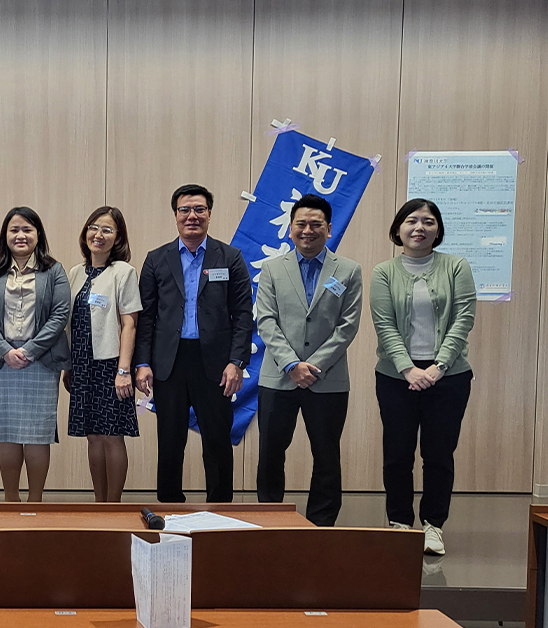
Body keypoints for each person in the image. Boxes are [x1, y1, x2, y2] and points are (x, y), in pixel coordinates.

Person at [135, 183, 253, 503]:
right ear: (175, 216)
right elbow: (146, 317)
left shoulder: (229, 257)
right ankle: (170, 507)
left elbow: (243, 315)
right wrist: (142, 362)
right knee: (170, 441)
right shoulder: (156, 259)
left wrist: (236, 362)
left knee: (216, 440)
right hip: (169, 362)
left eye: (199, 209)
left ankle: (220, 510)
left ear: (209, 215)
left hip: (215, 363)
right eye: (185, 210)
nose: (192, 216)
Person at [370, 198, 476, 555]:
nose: (420, 228)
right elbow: (383, 325)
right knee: (397, 452)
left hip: (449, 376)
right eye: (412, 221)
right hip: (395, 376)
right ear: (398, 229)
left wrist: (438, 367)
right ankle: (399, 522)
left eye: (428, 222)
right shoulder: (384, 271)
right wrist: (408, 369)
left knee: (439, 453)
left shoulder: (456, 266)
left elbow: (464, 319)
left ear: (438, 230)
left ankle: (433, 525)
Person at [255, 194, 363, 526]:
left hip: (328, 380)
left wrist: (312, 366)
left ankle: (321, 523)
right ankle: (271, 518)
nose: (308, 230)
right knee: (271, 454)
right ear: (290, 229)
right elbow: (266, 320)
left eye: (316, 224)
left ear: (329, 229)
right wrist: (292, 364)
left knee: (327, 455)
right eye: (301, 223)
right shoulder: (272, 268)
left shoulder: (348, 270)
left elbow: (348, 325)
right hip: (278, 378)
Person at [0, 207, 70, 502]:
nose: (20, 235)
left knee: (38, 432)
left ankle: (36, 501)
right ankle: (10, 499)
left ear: (38, 235)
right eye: (14, 229)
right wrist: (5, 351)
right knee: (7, 431)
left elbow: (60, 313)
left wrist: (29, 350)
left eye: (27, 229)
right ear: (5, 235)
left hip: (41, 360)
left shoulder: (54, 270)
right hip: (3, 362)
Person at [65, 207, 142, 503]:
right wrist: (67, 366)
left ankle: (115, 505)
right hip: (82, 364)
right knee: (92, 435)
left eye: (107, 230)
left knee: (112, 435)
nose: (98, 235)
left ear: (118, 237)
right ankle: (99, 504)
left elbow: (130, 323)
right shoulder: (74, 273)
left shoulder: (123, 272)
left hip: (111, 365)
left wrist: (124, 371)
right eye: (93, 228)